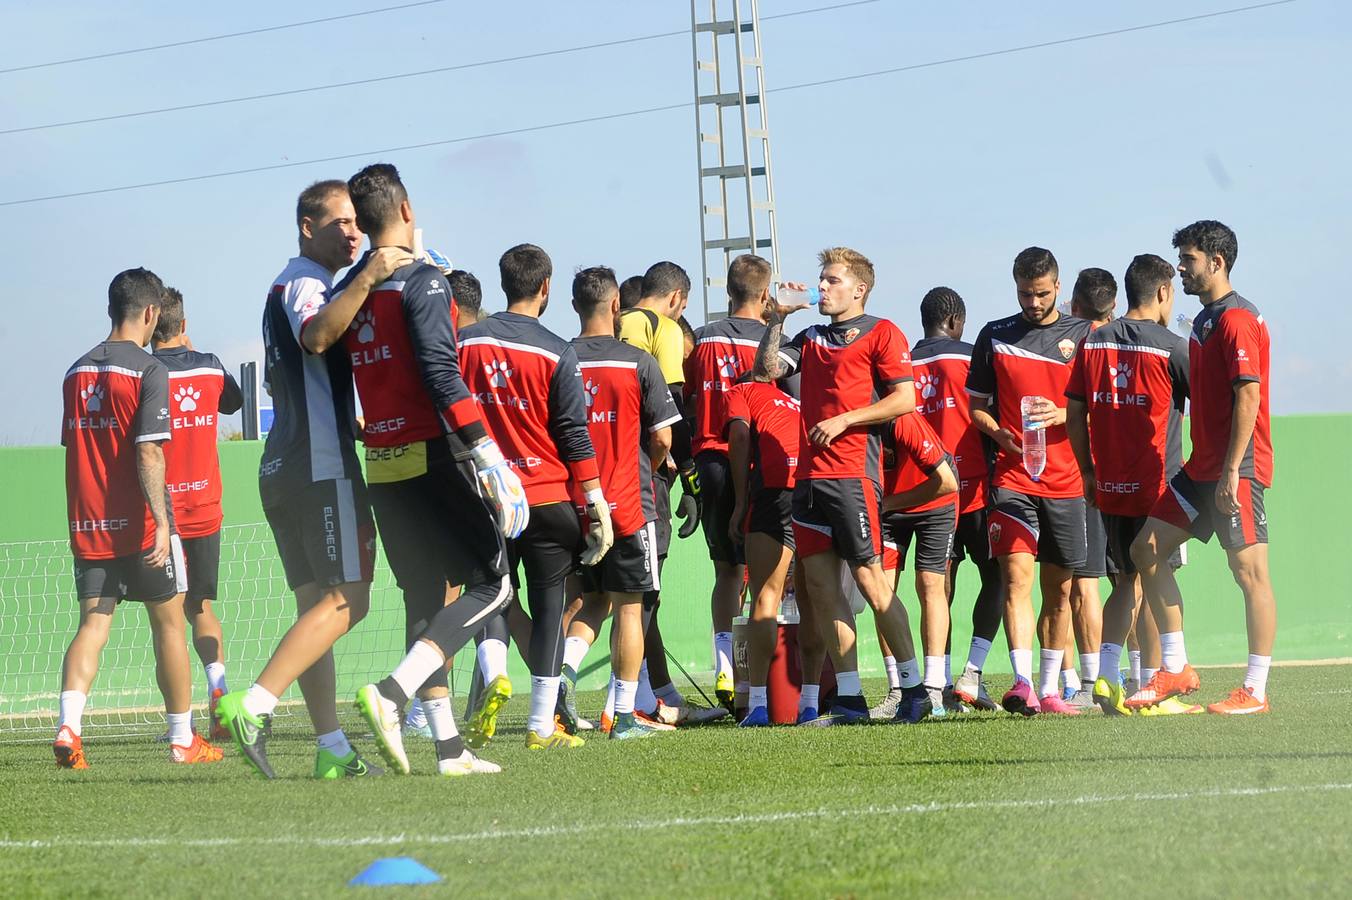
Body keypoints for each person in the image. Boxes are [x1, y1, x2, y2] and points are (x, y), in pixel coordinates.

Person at [215, 179, 404, 779]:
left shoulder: (302, 284)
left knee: (315, 611)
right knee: (350, 598)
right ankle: (256, 704)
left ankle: (332, 749)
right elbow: (316, 335)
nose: (354, 233)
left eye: (357, 223)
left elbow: (306, 375)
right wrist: (371, 275)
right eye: (341, 223)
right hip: (318, 469)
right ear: (306, 227)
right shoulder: (305, 283)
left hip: (288, 465)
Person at [55, 267, 222, 768]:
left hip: (88, 524)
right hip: (142, 526)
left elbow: (76, 446)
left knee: (92, 625)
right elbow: (150, 455)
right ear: (151, 314)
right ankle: (181, 739)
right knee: (169, 624)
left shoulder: (75, 372)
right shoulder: (151, 372)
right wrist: (163, 522)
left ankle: (69, 727)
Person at [457, 243, 613, 749]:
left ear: (503, 283)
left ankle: (495, 673)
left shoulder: (465, 343)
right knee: (549, 608)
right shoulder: (555, 349)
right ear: (545, 288)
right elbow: (573, 432)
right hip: (547, 497)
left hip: (484, 497)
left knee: (491, 597)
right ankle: (540, 726)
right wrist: (595, 502)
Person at [764, 247, 924, 725]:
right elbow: (768, 369)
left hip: (853, 476)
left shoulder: (882, 331)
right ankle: (851, 699)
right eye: (822, 280)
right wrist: (777, 320)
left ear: (859, 289)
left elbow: (904, 400)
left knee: (872, 584)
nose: (824, 287)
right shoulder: (810, 336)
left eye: (832, 280)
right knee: (821, 588)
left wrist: (845, 420)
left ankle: (915, 691)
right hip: (809, 480)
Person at [1130, 220, 1275, 714]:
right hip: (1200, 469)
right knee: (1145, 549)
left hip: (1238, 468)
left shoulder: (1238, 319)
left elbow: (1249, 394)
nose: (1181, 270)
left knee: (1248, 571)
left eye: (1188, 260)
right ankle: (1175, 668)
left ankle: (1255, 690)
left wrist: (1234, 469)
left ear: (1216, 262)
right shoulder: (1205, 321)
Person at [965, 247, 1092, 715]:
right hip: (1013, 478)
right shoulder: (994, 335)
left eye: (1041, 294)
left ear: (1058, 287)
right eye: (1024, 293)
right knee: (1017, 578)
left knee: (1059, 589)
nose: (1033, 303)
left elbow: (1102, 407)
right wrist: (996, 429)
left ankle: (1051, 687)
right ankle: (1022, 683)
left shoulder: (1084, 334)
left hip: (1067, 481)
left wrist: (1064, 414)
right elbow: (975, 405)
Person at [559, 266, 682, 739]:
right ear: (616, 306)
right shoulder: (637, 362)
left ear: (574, 306)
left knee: (592, 602)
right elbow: (664, 438)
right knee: (631, 607)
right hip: (631, 503)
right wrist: (645, 472)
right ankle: (625, 717)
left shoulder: (560, 358)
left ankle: (564, 678)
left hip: (577, 504)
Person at [1065, 253, 1189, 715]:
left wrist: (1088, 471)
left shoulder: (1092, 344)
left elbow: (1075, 414)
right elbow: (1213, 403)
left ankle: (1105, 677)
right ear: (1161, 292)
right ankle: (1155, 691)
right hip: (1160, 489)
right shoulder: (1172, 347)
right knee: (1158, 583)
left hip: (1110, 488)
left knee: (1124, 585)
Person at [151, 286, 243, 740]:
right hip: (205, 508)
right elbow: (235, 402)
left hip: (161, 517)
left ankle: (181, 726)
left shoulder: (143, 372)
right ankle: (219, 690)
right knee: (201, 606)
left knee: (168, 620)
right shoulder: (209, 364)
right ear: (183, 326)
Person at [685, 254, 773, 708]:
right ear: (764, 294)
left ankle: (724, 668)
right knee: (767, 578)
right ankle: (758, 679)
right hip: (758, 466)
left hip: (710, 465)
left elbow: (689, 398)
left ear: (727, 292)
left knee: (725, 571)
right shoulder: (774, 343)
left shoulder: (699, 339)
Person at [725, 333, 827, 726]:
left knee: (764, 597)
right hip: (814, 489)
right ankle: (811, 704)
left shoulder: (745, 389)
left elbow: (738, 437)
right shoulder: (800, 402)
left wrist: (738, 504)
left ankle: (758, 706)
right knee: (812, 598)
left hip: (774, 492)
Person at [909, 287, 1003, 713]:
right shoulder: (971, 356)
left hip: (924, 489)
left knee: (937, 589)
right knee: (999, 577)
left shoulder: (902, 362)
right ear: (955, 322)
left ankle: (938, 681)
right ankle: (972, 672)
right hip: (975, 486)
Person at [618, 262, 700, 714]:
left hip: (594, 474)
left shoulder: (610, 324)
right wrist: (688, 478)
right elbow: (670, 417)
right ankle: (638, 701)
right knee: (644, 590)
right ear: (675, 300)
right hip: (641, 478)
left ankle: (656, 692)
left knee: (591, 598)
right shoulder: (662, 327)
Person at [876, 405, 961, 718]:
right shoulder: (851, 423)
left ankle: (935, 688)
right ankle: (898, 688)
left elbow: (947, 482)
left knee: (929, 585)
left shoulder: (902, 419)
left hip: (935, 501)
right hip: (886, 508)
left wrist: (890, 503)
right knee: (880, 591)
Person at [1059, 268, 1118, 709]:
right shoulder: (1130, 340)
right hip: (1129, 471)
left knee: (1079, 582)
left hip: (1081, 475)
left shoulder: (1079, 344)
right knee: (1135, 580)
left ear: (1074, 305)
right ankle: (1144, 673)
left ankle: (1085, 681)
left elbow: (1074, 410)